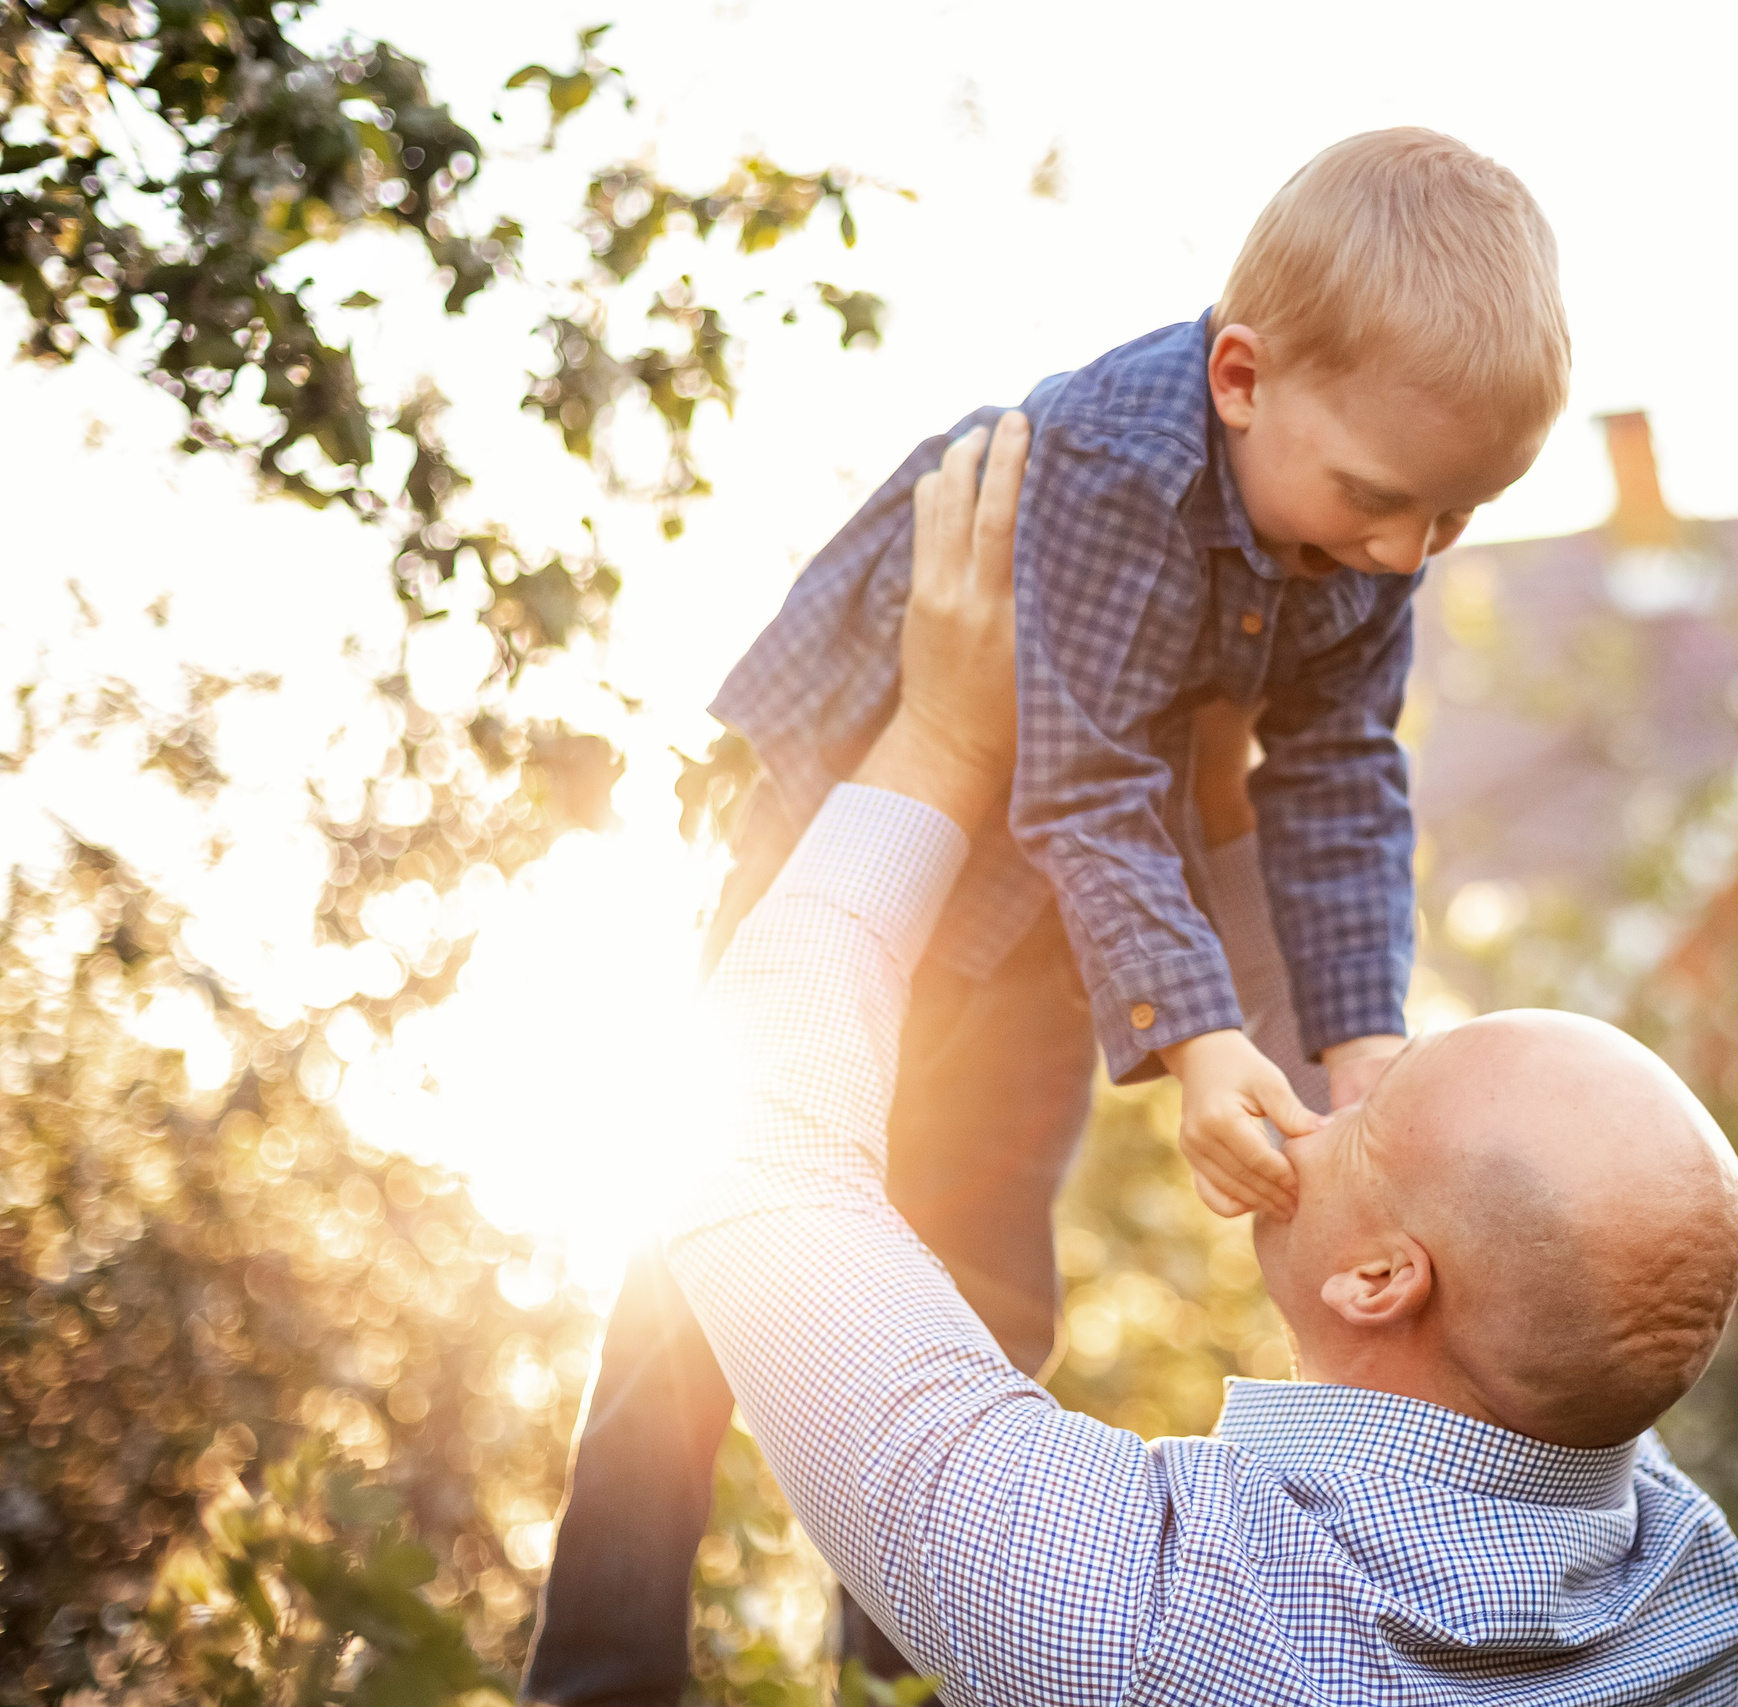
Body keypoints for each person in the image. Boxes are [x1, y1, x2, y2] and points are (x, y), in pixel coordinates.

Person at [527, 127, 1569, 1698]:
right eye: (1382, 501)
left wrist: (1361, 1047)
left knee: (990, 1270)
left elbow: (1341, 773)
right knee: (705, 1250)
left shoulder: (1365, 506)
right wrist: (1203, 1037)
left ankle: (910, 1659)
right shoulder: (1109, 464)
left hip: (1036, 925)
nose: (1404, 553)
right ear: (1240, 378)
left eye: (1452, 520)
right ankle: (601, 1671)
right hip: (864, 844)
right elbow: (1081, 780)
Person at [664, 411, 1738, 1704]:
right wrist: (1219, 784)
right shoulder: (1681, 1595)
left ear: (1379, 1280)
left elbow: (760, 1156)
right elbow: (1520, 1257)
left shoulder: (1137, 1612)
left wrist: (946, 739)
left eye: (1382, 1097)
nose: (1334, 1078)